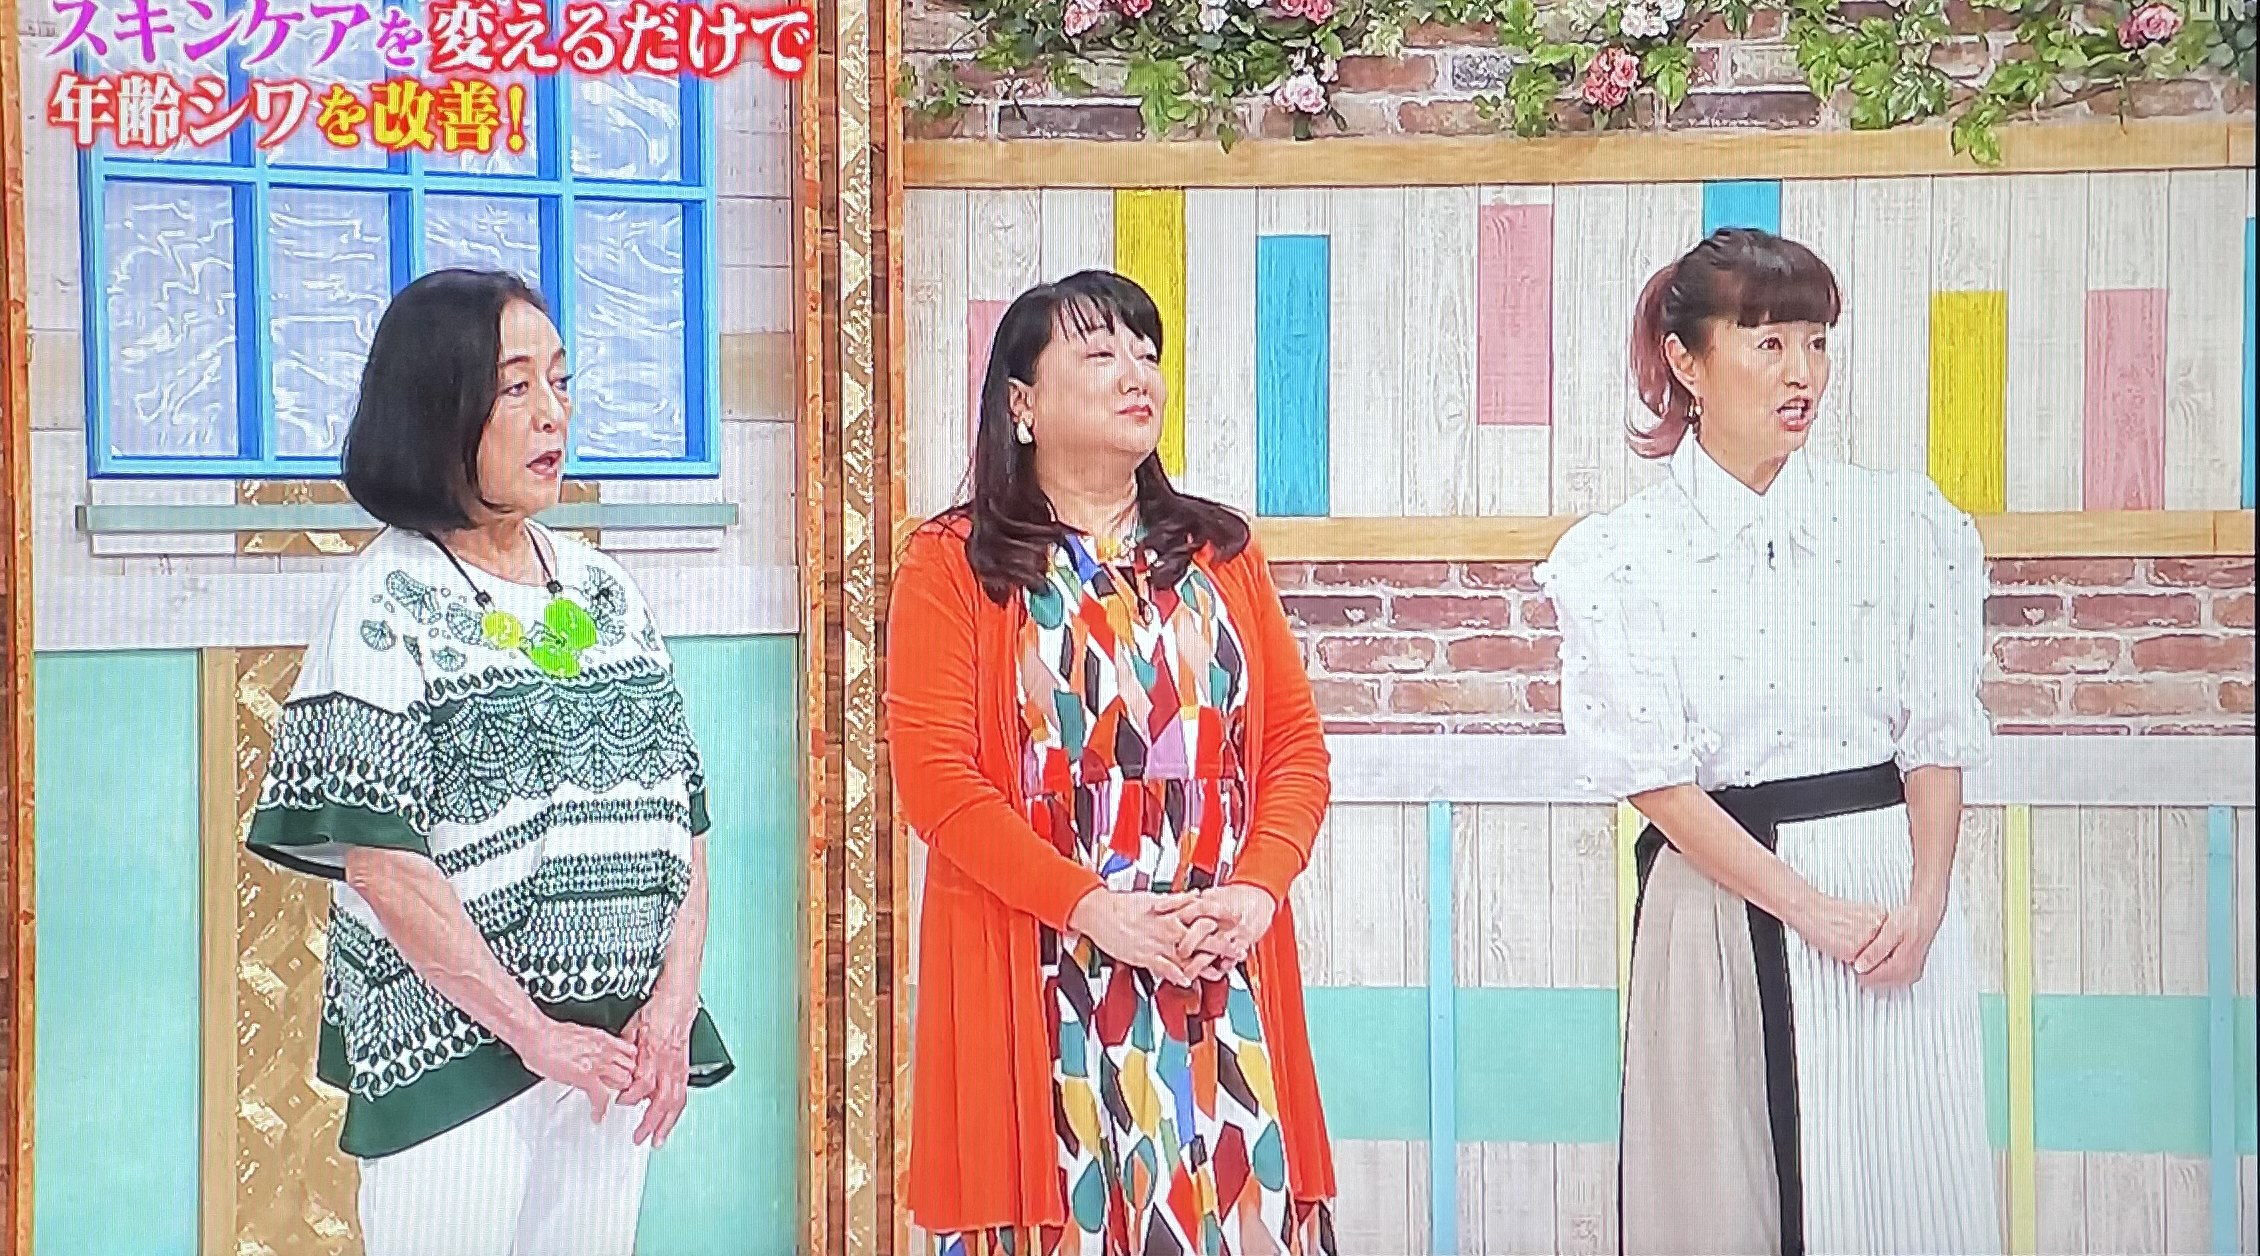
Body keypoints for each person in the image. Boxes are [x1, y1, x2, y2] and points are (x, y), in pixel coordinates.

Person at [246, 269, 731, 1256]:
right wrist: (533, 1032)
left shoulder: (603, 589)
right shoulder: (387, 599)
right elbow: (384, 862)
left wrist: (673, 1006)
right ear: (438, 408)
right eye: (516, 387)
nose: (552, 413)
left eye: (560, 381)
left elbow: (680, 814)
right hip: (456, 1058)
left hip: (613, 1049)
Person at [1536, 229, 1999, 1256]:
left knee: (1904, 1193)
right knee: (1728, 1199)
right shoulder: (1622, 559)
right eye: (1768, 343)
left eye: (1817, 342)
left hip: (1889, 910)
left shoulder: (1900, 523)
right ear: (1686, 362)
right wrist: (1807, 909)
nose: (1803, 373)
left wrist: (1925, 901)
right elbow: (1656, 782)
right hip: (1719, 903)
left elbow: (1934, 731)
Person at [885, 270, 1338, 1255]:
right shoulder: (951, 562)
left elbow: (1296, 750)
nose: (1137, 373)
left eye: (1147, 352)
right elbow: (939, 784)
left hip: (1216, 970)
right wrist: (1095, 909)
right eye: (1100, 353)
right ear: (1022, 403)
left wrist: (1255, 892)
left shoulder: (1220, 553)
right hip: (1045, 972)